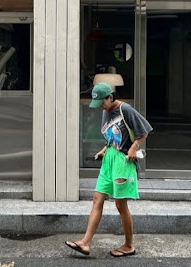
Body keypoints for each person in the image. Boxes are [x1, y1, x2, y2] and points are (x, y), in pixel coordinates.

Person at [65, 82, 153, 258]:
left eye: (102, 103)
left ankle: (129, 245)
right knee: (97, 198)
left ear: (110, 97)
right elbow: (112, 136)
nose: (100, 107)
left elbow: (145, 131)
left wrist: (134, 147)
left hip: (123, 161)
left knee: (120, 205)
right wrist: (104, 150)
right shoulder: (106, 111)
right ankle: (85, 243)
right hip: (109, 159)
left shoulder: (125, 109)